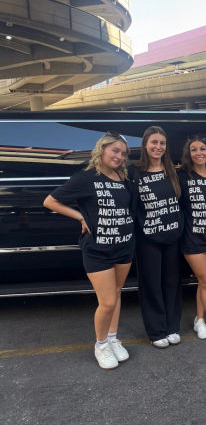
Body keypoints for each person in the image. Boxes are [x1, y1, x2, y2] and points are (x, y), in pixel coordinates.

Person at [43, 132, 134, 369]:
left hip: (124, 246)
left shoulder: (121, 178)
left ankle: (113, 338)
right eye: (115, 151)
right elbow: (50, 201)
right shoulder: (86, 178)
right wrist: (80, 216)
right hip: (98, 250)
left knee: (117, 293)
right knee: (107, 301)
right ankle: (101, 344)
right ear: (102, 150)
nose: (119, 156)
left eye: (123, 153)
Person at [130, 126, 183, 348]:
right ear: (145, 144)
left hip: (173, 236)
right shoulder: (135, 173)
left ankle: (172, 326)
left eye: (162, 143)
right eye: (154, 142)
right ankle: (156, 330)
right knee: (151, 284)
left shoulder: (173, 171)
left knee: (172, 283)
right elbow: (130, 205)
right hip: (148, 238)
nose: (158, 147)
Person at [178, 136, 206, 343]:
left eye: (202, 149)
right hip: (191, 237)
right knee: (205, 279)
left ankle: (199, 319)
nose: (199, 153)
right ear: (189, 154)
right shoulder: (182, 176)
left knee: (204, 281)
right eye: (194, 149)